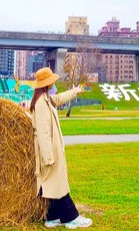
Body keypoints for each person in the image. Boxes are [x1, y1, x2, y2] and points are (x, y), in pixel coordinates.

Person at [29, 67, 93, 229]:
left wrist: (75, 91)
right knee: (59, 185)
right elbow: (43, 132)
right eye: (52, 81)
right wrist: (48, 156)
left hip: (52, 149)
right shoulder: (41, 103)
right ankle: (71, 217)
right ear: (46, 83)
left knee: (53, 184)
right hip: (49, 152)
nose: (54, 83)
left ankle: (52, 217)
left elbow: (59, 98)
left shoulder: (46, 98)